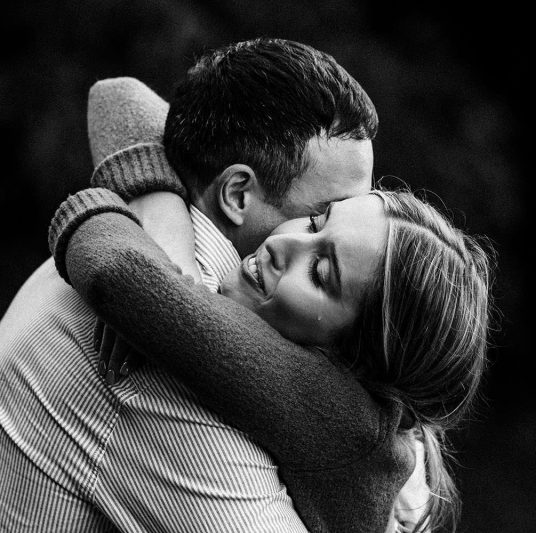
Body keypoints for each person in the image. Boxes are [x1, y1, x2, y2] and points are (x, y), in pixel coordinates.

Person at [0, 38, 382, 532]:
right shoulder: (161, 357)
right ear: (237, 194)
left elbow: (124, 101)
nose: (358, 223)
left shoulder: (161, 243)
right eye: (321, 216)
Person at [47, 183, 491, 532]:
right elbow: (124, 99)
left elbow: (115, 272)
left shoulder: (324, 408)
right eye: (317, 222)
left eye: (320, 272)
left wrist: (104, 212)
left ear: (354, 366)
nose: (286, 242)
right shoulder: (384, 443)